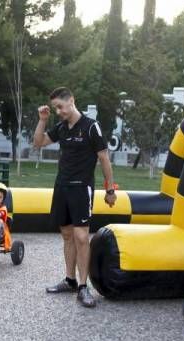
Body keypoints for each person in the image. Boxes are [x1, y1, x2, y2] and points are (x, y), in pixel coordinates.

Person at [34, 87, 118, 308]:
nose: (58, 111)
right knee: (67, 236)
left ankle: (83, 286)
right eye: (55, 108)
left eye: (60, 106)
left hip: (82, 189)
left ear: (71, 100)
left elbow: (104, 159)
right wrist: (43, 120)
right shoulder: (61, 127)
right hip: (61, 187)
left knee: (81, 236)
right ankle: (70, 280)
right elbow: (38, 143)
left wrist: (110, 190)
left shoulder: (91, 127)